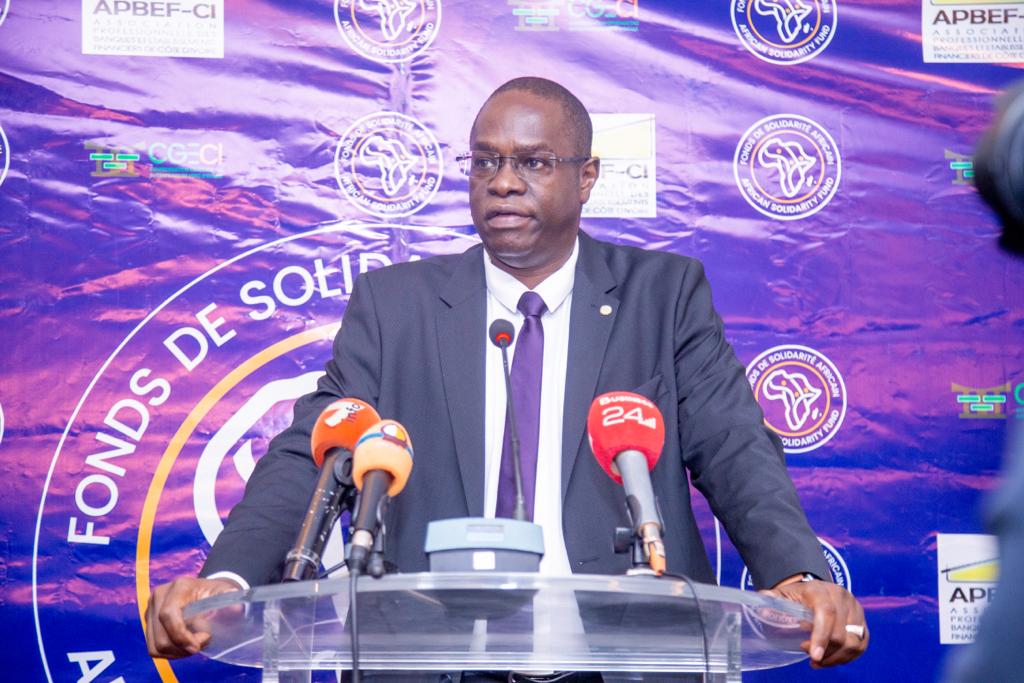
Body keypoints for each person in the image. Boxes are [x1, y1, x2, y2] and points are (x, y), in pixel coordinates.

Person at [145, 77, 869, 673]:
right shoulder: (396, 307)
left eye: (534, 163)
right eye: (485, 162)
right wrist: (227, 580)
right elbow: (317, 451)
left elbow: (734, 445)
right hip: (435, 656)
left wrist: (796, 574)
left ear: (587, 179)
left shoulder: (663, 296)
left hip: (624, 655)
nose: (503, 183)